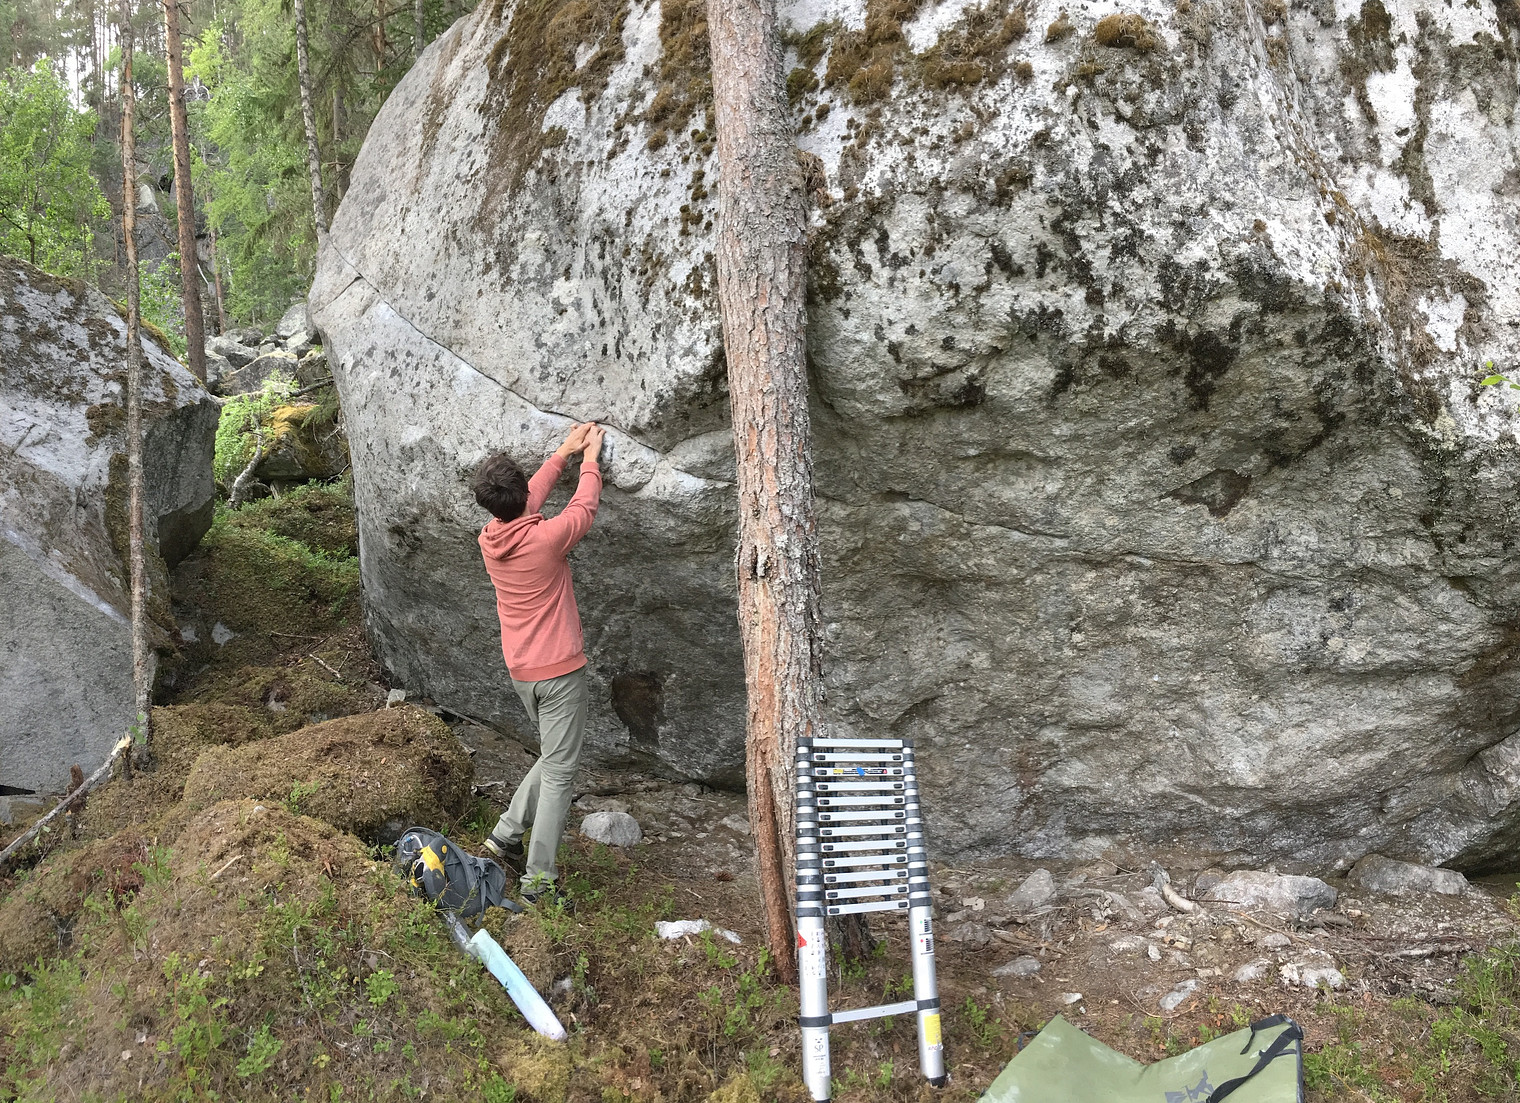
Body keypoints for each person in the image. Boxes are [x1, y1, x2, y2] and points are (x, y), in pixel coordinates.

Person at [472, 421, 605, 906]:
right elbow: (583, 508)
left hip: (523, 673)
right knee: (561, 774)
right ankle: (539, 883)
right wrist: (590, 459)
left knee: (553, 757)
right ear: (521, 495)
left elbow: (525, 501)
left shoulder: (490, 538)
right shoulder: (547, 539)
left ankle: (504, 836)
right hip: (559, 673)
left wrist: (563, 453)